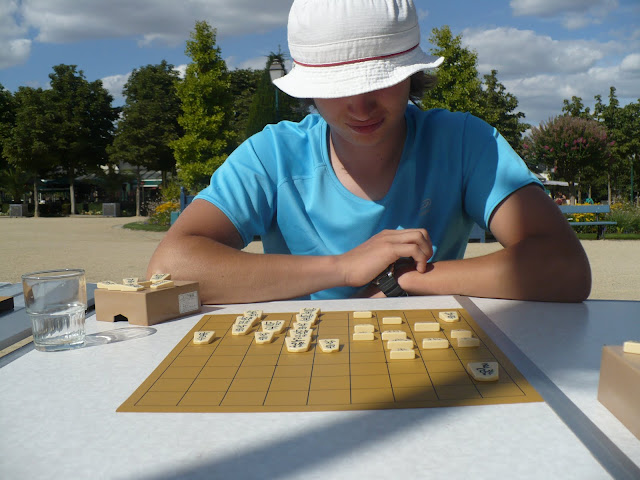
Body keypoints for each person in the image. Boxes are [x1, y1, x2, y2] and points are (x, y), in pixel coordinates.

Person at [148, 0, 591, 304]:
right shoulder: (272, 155)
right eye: (338, 88)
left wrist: (405, 281)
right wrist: (344, 268)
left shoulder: (463, 141)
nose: (360, 106)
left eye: (380, 79)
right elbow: (171, 266)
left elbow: (565, 266)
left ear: (411, 76)